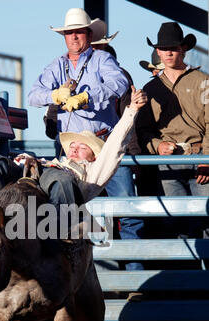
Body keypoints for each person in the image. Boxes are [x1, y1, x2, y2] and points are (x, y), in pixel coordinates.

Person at [0, 88, 147, 234]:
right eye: (73, 145)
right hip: (37, 174)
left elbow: (115, 145)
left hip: (61, 182)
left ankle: (57, 234)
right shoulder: (55, 161)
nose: (75, 148)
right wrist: (26, 160)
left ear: (95, 157)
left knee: (62, 180)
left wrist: (131, 111)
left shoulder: (92, 174)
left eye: (83, 147)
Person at [136, 21, 209, 241]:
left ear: (183, 49)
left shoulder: (204, 82)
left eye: (174, 47)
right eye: (164, 48)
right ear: (157, 51)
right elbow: (143, 130)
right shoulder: (150, 88)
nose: (168, 52)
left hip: (200, 158)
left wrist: (207, 158)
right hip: (168, 162)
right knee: (175, 224)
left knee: (206, 222)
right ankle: (184, 275)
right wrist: (158, 145)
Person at [90, 22, 144, 271]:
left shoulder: (119, 74)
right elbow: (52, 116)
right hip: (89, 151)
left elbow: (127, 113)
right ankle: (105, 281)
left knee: (126, 214)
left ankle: (131, 279)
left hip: (110, 151)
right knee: (93, 217)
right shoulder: (71, 73)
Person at [28, 8, 128, 139]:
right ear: (65, 37)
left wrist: (87, 97)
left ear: (90, 35)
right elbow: (32, 97)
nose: (73, 37)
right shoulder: (56, 65)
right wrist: (54, 95)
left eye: (79, 32)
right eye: (69, 33)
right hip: (69, 145)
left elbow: (120, 83)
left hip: (101, 141)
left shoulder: (102, 58)